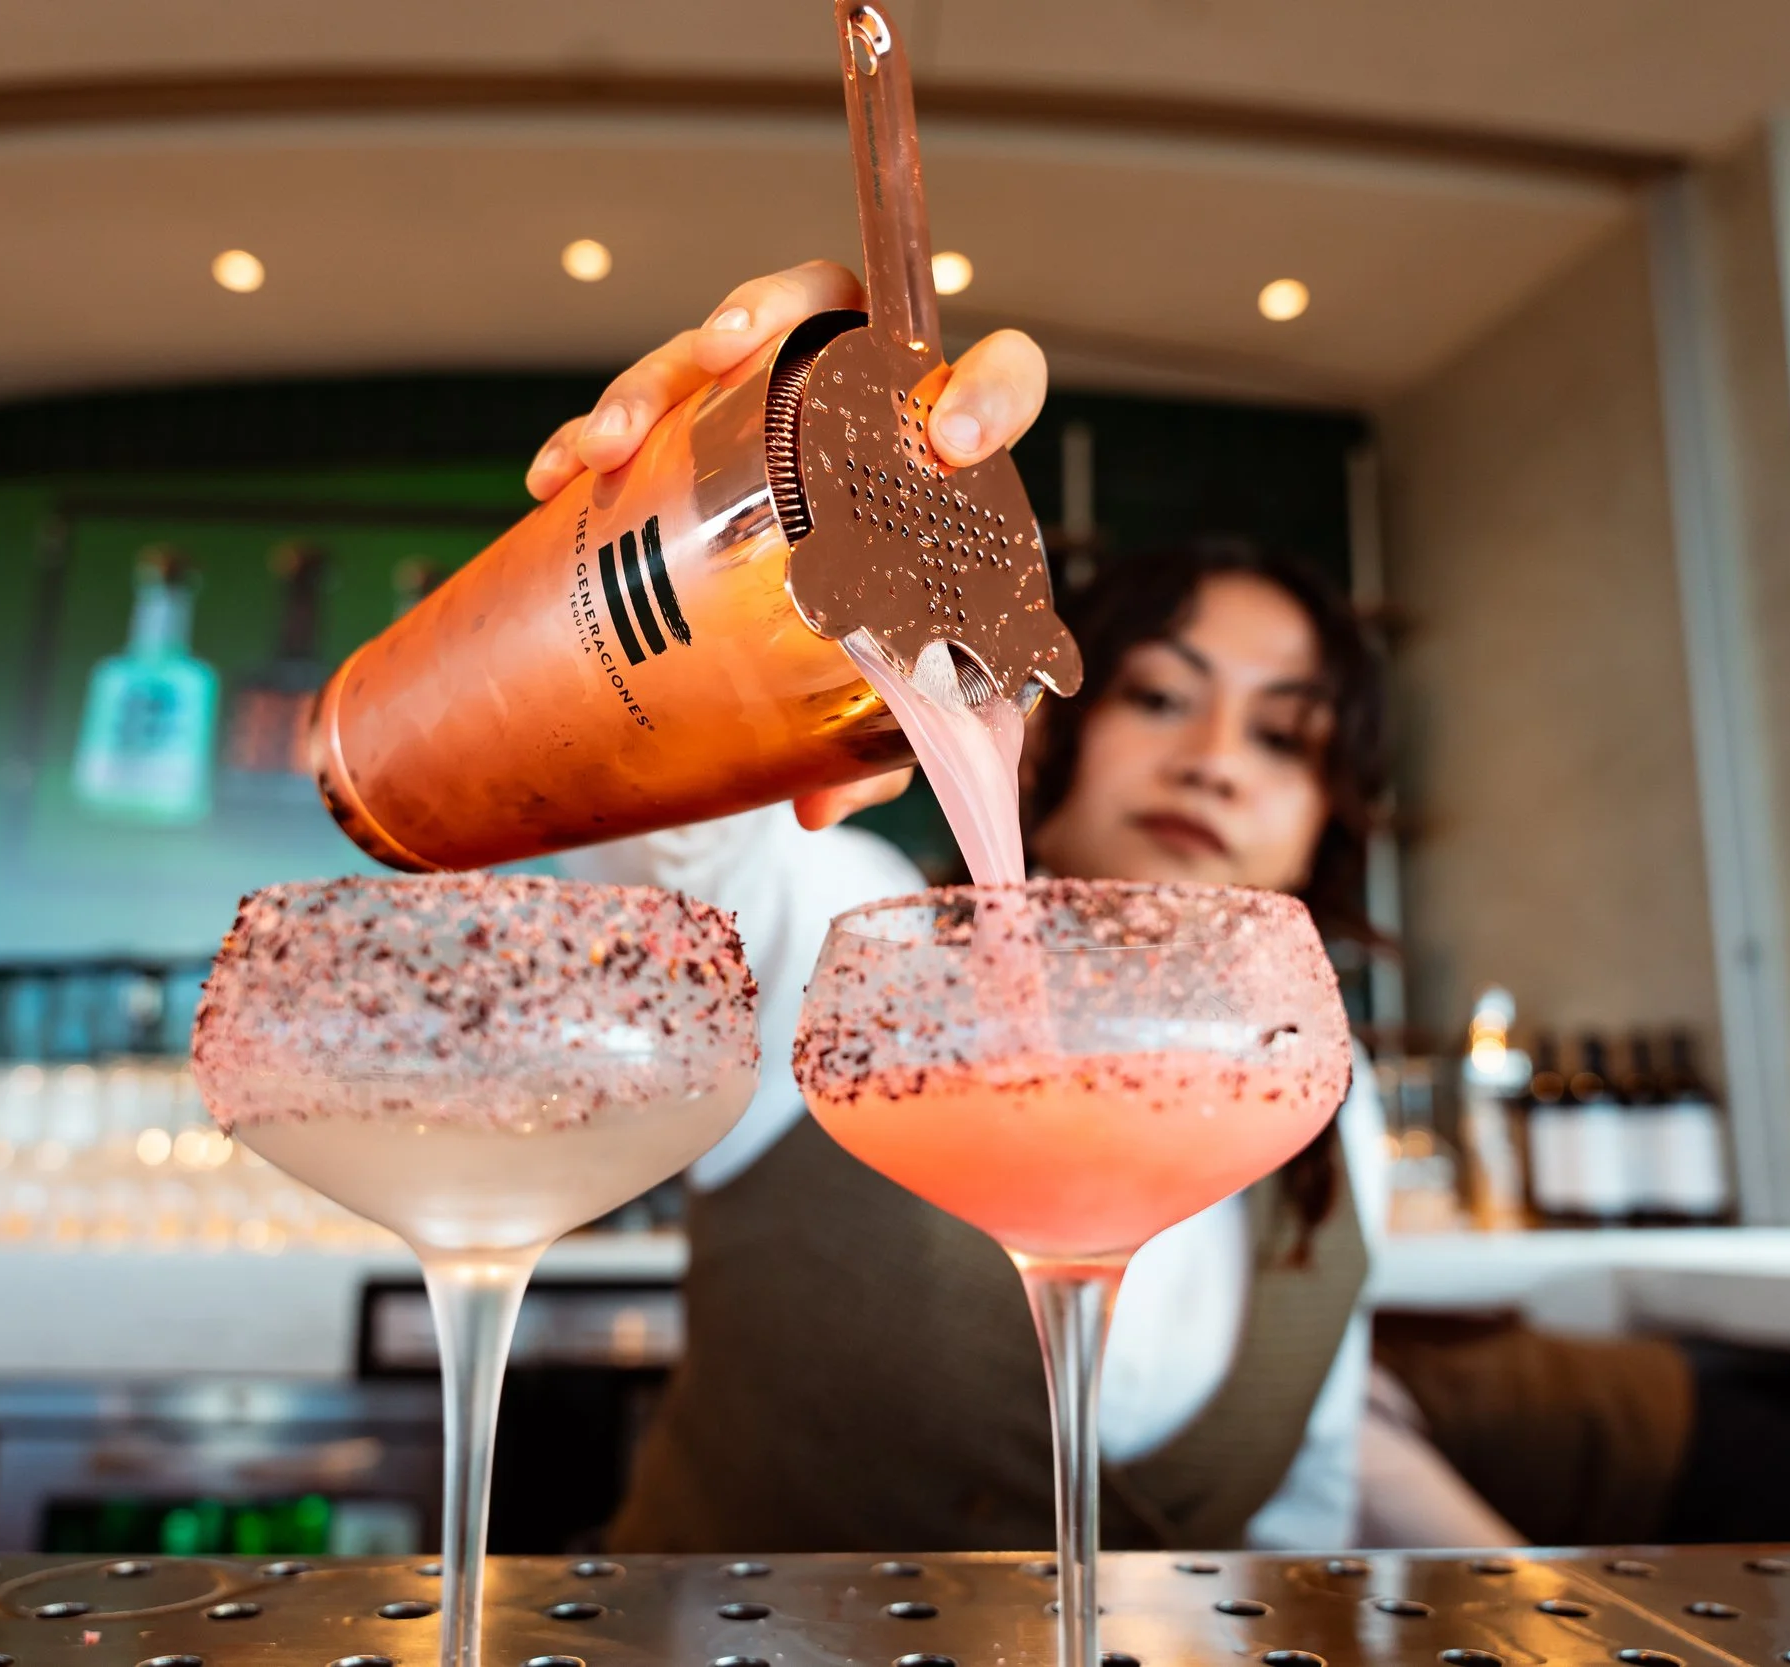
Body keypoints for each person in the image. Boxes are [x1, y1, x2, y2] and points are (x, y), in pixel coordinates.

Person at [546, 261, 1593, 1551]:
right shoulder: (857, 951)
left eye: (1286, 737)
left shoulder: (1325, 1100)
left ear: (1328, 813)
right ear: (1040, 730)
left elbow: (1306, 1507)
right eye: (1161, 696)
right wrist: (708, 530)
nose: (1214, 756)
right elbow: (676, 833)